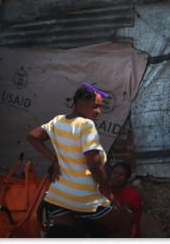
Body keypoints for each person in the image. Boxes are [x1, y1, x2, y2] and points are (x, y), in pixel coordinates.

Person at [27, 83, 135, 238]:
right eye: (95, 106)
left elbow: (32, 136)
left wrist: (54, 160)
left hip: (57, 197)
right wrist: (109, 193)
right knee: (128, 219)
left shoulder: (57, 121)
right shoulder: (86, 125)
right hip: (81, 198)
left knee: (68, 235)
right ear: (81, 102)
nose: (98, 111)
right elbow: (95, 165)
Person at [99, 163, 142, 238]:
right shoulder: (103, 191)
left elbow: (120, 216)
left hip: (125, 233)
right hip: (106, 230)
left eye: (121, 174)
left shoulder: (133, 194)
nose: (117, 176)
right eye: (114, 173)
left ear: (127, 179)